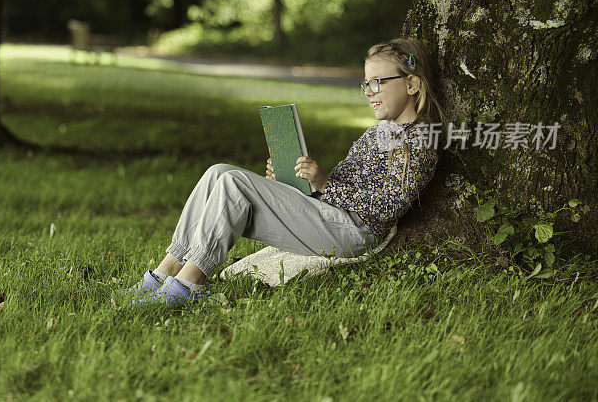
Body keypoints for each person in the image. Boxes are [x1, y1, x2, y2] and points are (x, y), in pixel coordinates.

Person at [112, 37, 446, 306]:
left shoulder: (419, 141)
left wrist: (325, 183)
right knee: (218, 172)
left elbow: (389, 206)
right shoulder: (378, 132)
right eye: (366, 84)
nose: (369, 91)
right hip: (331, 213)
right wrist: (296, 178)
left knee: (234, 182)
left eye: (378, 82)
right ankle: (162, 274)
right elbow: (344, 186)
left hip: (356, 232)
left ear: (413, 84)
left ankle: (187, 285)